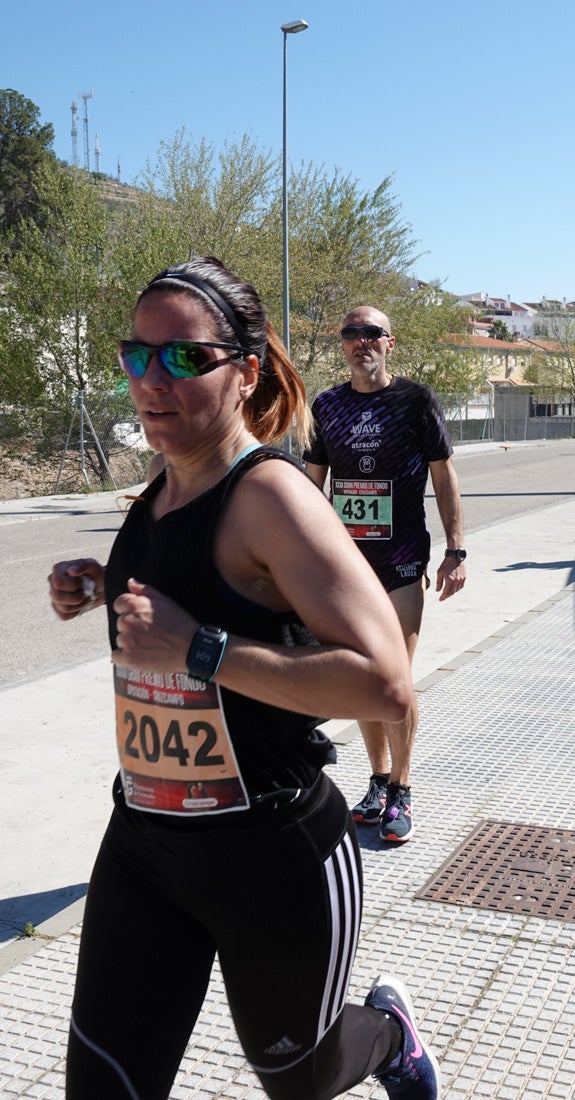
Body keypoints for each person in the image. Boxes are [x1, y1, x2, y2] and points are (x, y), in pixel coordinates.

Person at [48, 258, 441, 1100]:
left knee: (303, 1077)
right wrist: (97, 585)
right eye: (138, 355)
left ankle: (390, 1039)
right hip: (145, 843)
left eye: (185, 358)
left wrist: (200, 649)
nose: (154, 380)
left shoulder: (272, 497)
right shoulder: (156, 490)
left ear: (246, 371)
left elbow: (385, 685)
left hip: (274, 855)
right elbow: (185, 602)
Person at [303, 306, 466, 844]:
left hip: (400, 560)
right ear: (342, 344)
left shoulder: (415, 400)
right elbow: (311, 485)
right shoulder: (326, 405)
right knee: (358, 679)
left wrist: (456, 549)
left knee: (393, 676)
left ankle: (403, 787)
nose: (360, 342)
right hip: (346, 568)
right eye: (350, 333)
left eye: (371, 333)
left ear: (389, 344)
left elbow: (444, 475)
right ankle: (376, 782)